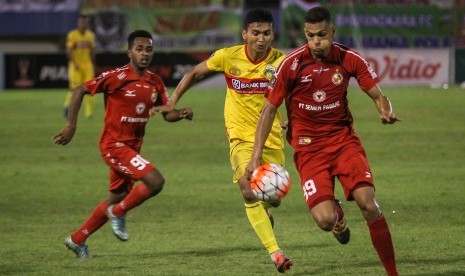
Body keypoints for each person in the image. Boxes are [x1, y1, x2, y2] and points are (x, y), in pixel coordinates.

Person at [245, 7, 399, 276]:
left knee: (368, 204)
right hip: (309, 150)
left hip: (343, 143)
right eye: (311, 35)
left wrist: (385, 109)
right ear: (305, 34)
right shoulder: (291, 64)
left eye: (322, 35)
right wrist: (256, 156)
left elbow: (378, 94)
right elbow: (269, 109)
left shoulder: (349, 58)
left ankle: (392, 273)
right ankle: (338, 217)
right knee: (325, 220)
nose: (317, 41)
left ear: (332, 32)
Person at [154, 8, 292, 273]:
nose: (261, 38)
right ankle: (276, 254)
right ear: (244, 34)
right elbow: (194, 72)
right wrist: (172, 101)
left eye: (266, 33)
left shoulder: (282, 62)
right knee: (247, 188)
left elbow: (295, 95)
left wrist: (292, 121)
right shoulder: (228, 57)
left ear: (273, 34)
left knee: (274, 198)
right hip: (239, 135)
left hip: (271, 136)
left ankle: (264, 212)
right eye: (255, 33)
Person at [54, 30, 193, 259]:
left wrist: (181, 113)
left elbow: (167, 114)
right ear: (130, 52)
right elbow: (80, 90)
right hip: (114, 146)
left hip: (132, 149)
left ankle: (77, 239)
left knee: (117, 195)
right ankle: (117, 214)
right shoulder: (116, 77)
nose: (144, 53)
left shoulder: (155, 82)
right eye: (139, 49)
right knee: (155, 181)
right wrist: (71, 125)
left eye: (148, 49)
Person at [63, 14, 96, 119]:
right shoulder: (72, 35)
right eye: (82, 22)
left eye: (85, 22)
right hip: (76, 66)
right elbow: (68, 50)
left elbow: (92, 51)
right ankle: (67, 106)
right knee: (75, 89)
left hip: (87, 66)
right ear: (78, 23)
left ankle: (88, 112)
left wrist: (93, 64)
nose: (83, 24)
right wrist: (74, 63)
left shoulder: (90, 35)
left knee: (90, 89)